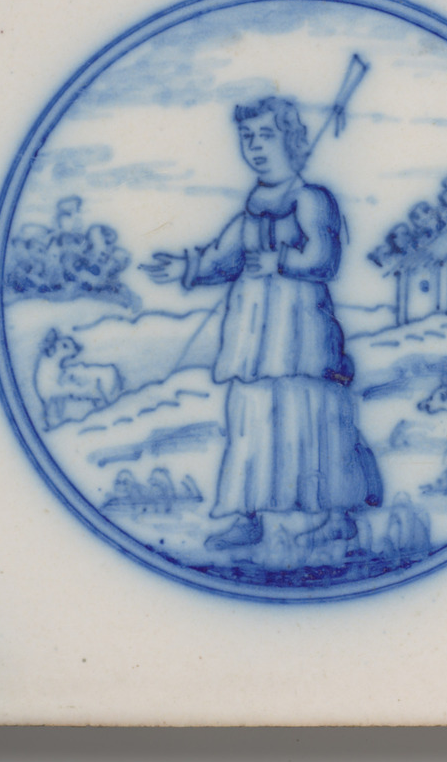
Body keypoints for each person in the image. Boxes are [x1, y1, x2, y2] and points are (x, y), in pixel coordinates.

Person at [141, 96, 382, 552]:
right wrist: (187, 267)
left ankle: (335, 517)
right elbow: (223, 257)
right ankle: (247, 514)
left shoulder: (311, 199)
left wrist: (279, 260)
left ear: (292, 140)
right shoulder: (252, 208)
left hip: (302, 333)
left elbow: (325, 258)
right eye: (247, 137)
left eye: (266, 135)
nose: (254, 146)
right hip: (255, 332)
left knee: (312, 414)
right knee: (252, 416)